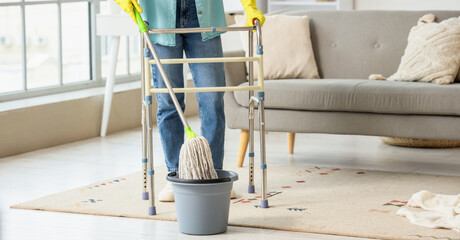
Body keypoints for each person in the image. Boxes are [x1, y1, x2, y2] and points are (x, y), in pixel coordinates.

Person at [114, 0, 265, 201]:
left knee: (213, 99)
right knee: (169, 102)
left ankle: (213, 175)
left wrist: (249, 5)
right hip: (159, 18)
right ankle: (176, 176)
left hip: (203, 15)